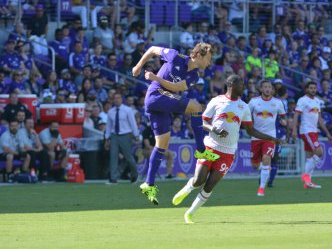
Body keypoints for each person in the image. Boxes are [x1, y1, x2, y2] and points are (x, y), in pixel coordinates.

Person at [172, 75, 283, 224]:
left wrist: (271, 138)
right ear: (231, 84)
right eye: (240, 83)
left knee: (210, 185)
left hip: (228, 152)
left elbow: (250, 131)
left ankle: (190, 214)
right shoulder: (217, 100)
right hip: (210, 147)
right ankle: (187, 189)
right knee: (199, 180)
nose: (243, 86)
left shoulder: (243, 106)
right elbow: (202, 121)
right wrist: (214, 129)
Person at [132, 43, 219, 204]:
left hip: (162, 103)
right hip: (155, 95)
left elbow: (175, 87)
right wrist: (138, 66)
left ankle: (148, 184)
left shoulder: (195, 76)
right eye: (208, 58)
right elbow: (152, 49)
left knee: (162, 144)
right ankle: (201, 150)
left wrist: (155, 77)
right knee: (196, 107)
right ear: (198, 55)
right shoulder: (174, 56)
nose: (209, 63)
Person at [248, 80, 286, 196]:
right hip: (256, 137)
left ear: (272, 90)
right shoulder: (254, 102)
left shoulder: (278, 103)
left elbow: (283, 117)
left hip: (270, 137)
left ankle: (261, 189)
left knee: (266, 159)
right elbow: (246, 116)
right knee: (255, 165)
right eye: (265, 87)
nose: (267, 89)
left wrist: (283, 121)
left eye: (269, 87)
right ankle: (265, 169)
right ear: (261, 89)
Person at [292, 81, 332, 189]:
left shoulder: (317, 101)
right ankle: (305, 176)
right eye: (311, 88)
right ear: (306, 89)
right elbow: (296, 114)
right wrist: (294, 130)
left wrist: (327, 132)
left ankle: (307, 183)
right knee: (319, 152)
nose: (313, 90)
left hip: (314, 131)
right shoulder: (302, 100)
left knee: (310, 157)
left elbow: (319, 118)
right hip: (306, 130)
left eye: (314, 88)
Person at [105, 93, 139, 184]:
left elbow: (133, 123)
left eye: (118, 98)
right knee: (113, 157)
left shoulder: (128, 110)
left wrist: (136, 135)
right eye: (114, 98)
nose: (116, 100)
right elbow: (108, 126)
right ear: (113, 100)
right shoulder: (110, 111)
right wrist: (107, 138)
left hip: (125, 135)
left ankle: (134, 174)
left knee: (128, 157)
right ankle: (113, 178)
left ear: (121, 99)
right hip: (114, 135)